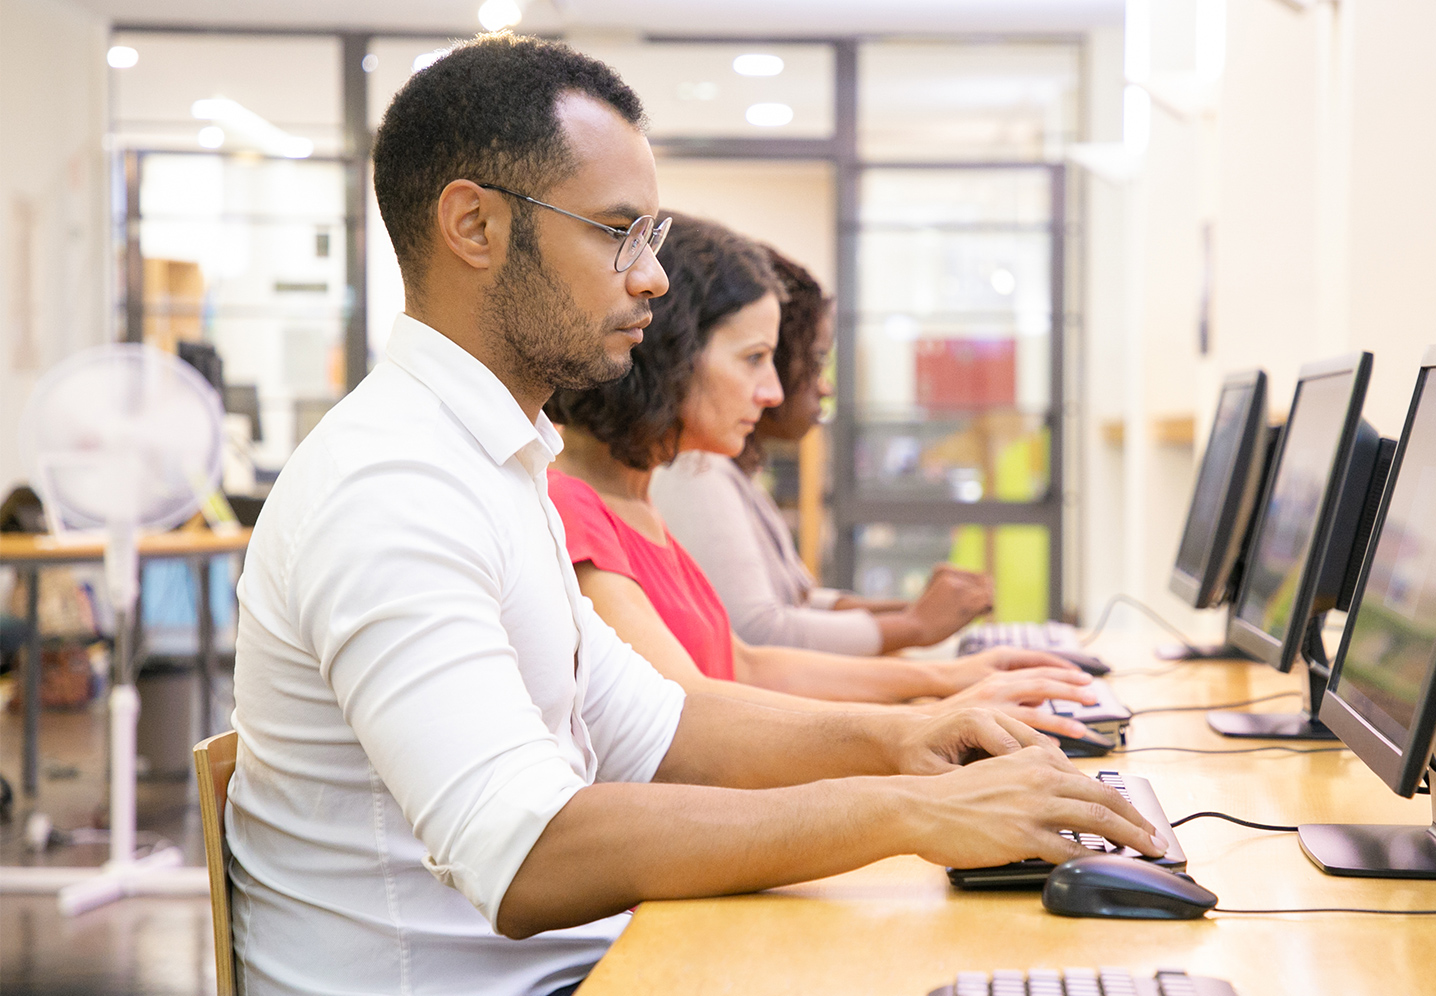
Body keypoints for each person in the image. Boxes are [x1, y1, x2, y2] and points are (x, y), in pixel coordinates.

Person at [225, 34, 1164, 996]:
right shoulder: (393, 489)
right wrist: (909, 811)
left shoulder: (494, 463)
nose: (652, 278)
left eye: (652, 239)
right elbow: (527, 854)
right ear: (474, 227)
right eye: (616, 232)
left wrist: (910, 741)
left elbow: (664, 727)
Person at [544, 213, 1100, 741]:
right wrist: (927, 720)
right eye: (754, 358)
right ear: (673, 355)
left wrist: (951, 681)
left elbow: (748, 666)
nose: (774, 392)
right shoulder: (579, 508)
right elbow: (691, 720)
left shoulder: (638, 502)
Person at [652, 248, 990, 655]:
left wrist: (918, 612)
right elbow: (756, 632)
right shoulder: (692, 470)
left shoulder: (727, 469)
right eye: (814, 362)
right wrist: (914, 627)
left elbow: (796, 600)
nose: (823, 386)